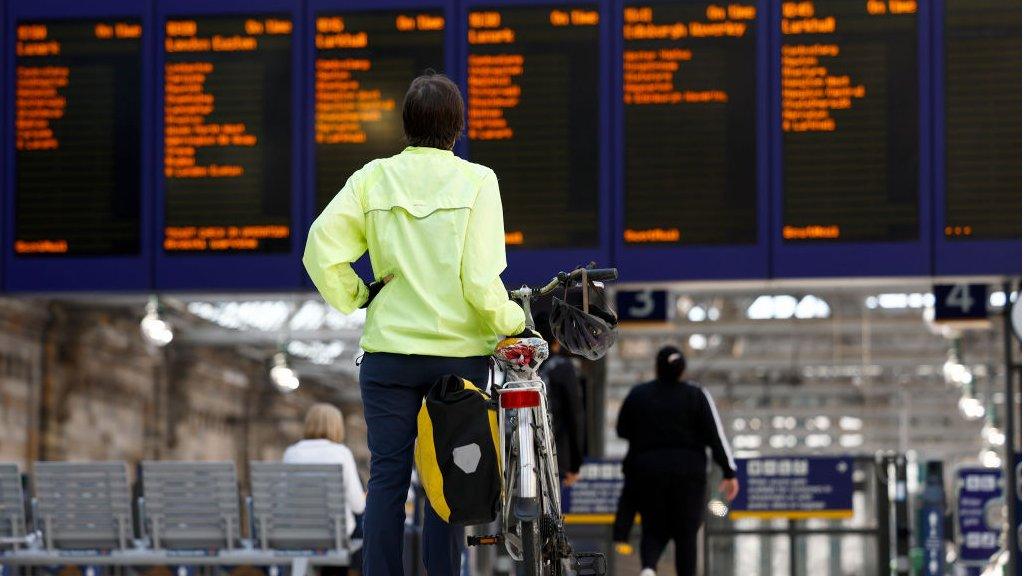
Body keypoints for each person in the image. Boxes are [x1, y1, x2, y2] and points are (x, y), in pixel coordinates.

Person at [303, 72, 526, 576]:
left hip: (388, 358)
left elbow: (320, 246)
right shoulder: (478, 182)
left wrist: (356, 295)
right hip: (458, 358)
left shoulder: (372, 178)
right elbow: (478, 280)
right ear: (458, 126)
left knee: (387, 478)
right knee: (446, 472)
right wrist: (514, 321)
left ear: (405, 125)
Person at [614, 346, 739, 576]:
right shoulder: (696, 395)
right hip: (688, 474)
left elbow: (622, 430)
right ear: (682, 369)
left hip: (648, 472)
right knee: (686, 533)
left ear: (657, 367)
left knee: (652, 527)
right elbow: (715, 436)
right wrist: (729, 473)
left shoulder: (639, 394)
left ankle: (649, 568)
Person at [283, 403, 367, 576]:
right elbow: (358, 505)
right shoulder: (341, 452)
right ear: (337, 427)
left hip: (296, 535)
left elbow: (284, 500)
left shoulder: (291, 453)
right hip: (334, 536)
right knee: (362, 521)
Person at [535, 310, 584, 486]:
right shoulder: (563, 367)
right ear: (557, 340)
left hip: (516, 453)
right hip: (555, 455)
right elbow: (574, 417)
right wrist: (575, 465)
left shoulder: (522, 367)